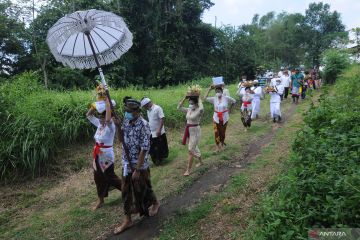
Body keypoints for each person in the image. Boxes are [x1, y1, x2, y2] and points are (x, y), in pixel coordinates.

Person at [114, 97, 160, 234]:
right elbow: (120, 139)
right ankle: (127, 219)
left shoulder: (144, 125)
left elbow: (144, 148)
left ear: (136, 111)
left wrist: (138, 170)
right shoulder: (126, 122)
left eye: (129, 111)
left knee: (144, 187)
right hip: (127, 162)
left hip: (140, 164)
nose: (126, 113)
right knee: (125, 190)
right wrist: (117, 126)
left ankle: (155, 203)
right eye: (126, 111)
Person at [86, 89, 122, 211]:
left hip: (106, 154)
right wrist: (95, 105)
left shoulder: (111, 124)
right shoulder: (99, 124)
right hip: (97, 152)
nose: (100, 118)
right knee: (98, 177)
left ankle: (127, 190)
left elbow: (107, 119)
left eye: (103, 115)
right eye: (99, 115)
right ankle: (101, 199)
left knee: (110, 176)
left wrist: (107, 102)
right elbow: (89, 115)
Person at [178, 93, 204, 176]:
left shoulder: (199, 110)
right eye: (189, 103)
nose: (190, 105)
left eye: (192, 103)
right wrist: (184, 98)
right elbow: (179, 107)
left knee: (190, 150)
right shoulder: (189, 109)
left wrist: (199, 98)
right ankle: (201, 162)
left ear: (196, 103)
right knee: (193, 147)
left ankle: (188, 170)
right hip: (189, 131)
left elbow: (201, 108)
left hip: (195, 131)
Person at [204, 85, 236, 152]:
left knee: (222, 132)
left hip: (224, 117)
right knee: (216, 132)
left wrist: (230, 109)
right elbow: (205, 98)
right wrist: (209, 89)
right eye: (216, 91)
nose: (217, 92)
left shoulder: (226, 98)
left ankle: (222, 144)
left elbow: (234, 101)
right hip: (216, 117)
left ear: (222, 91)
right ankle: (217, 146)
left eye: (219, 91)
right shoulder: (214, 98)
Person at [140, 97, 169, 165]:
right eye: (144, 107)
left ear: (148, 104)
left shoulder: (157, 108)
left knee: (159, 147)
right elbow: (150, 121)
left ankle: (160, 161)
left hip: (159, 132)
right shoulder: (148, 110)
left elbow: (162, 119)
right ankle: (156, 161)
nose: (145, 108)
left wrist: (159, 129)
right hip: (152, 132)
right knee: (152, 148)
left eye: (145, 106)